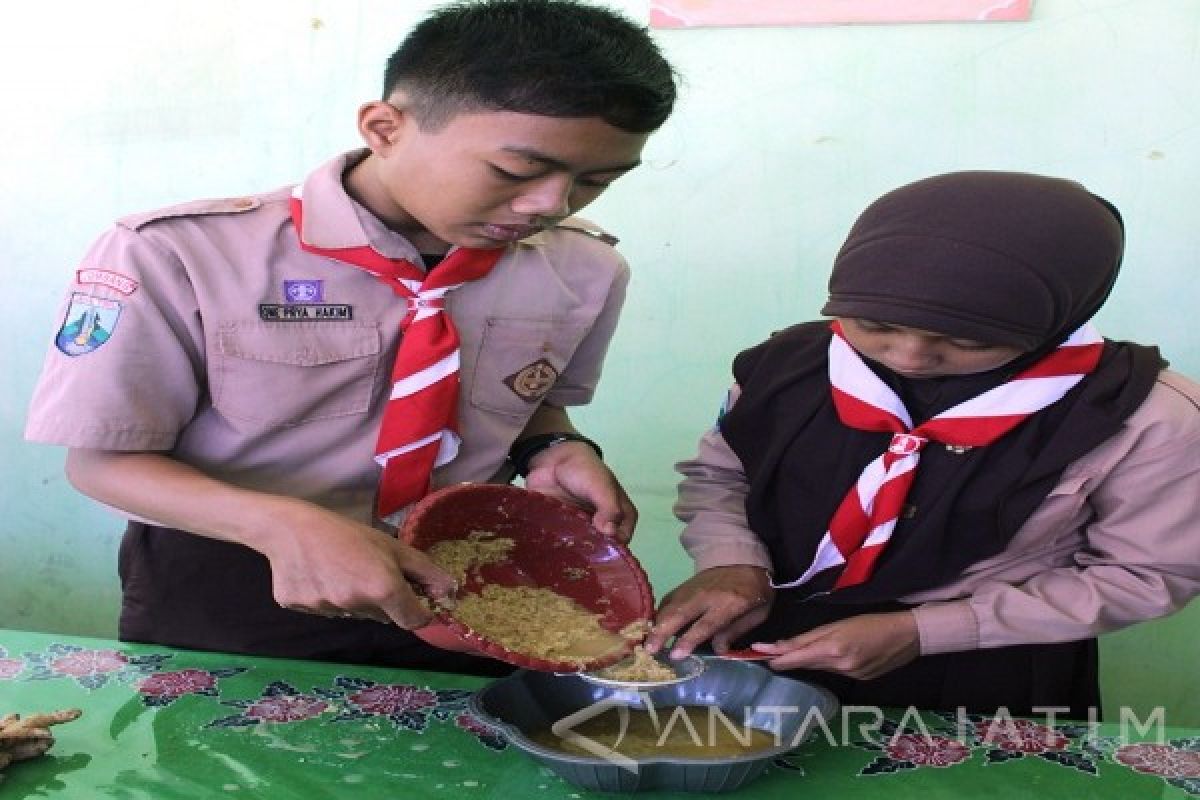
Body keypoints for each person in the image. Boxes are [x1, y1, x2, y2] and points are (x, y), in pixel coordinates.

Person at [25, 0, 677, 674]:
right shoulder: (179, 257)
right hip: (234, 580)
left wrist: (557, 447)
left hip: (469, 587)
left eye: (596, 180)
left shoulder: (585, 270)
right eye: (515, 172)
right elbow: (101, 462)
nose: (553, 204)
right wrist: (283, 524)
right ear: (385, 127)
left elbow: (530, 403)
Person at [645, 171, 1200, 717]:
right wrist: (731, 563)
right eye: (872, 323)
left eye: (967, 339)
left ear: (1061, 314)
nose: (908, 355)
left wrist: (926, 632)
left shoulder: (1144, 415)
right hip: (770, 632)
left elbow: (1147, 574)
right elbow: (723, 474)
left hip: (987, 667)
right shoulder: (787, 368)